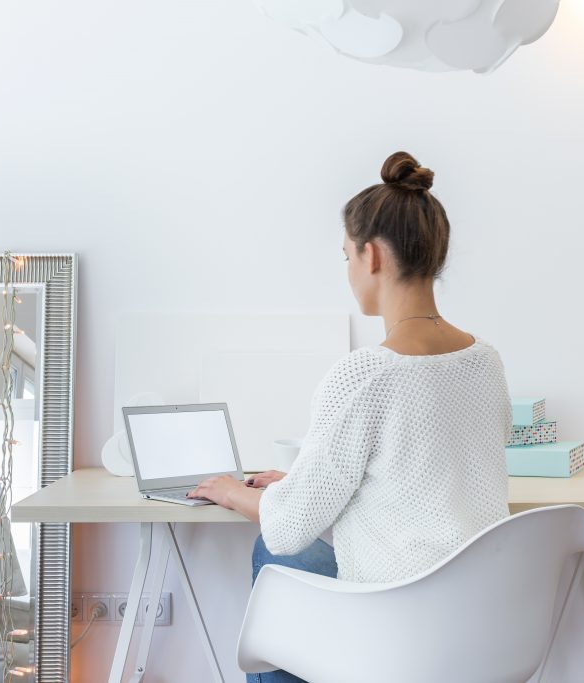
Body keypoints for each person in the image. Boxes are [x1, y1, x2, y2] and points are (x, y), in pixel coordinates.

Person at [188, 150, 513, 683]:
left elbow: (290, 528)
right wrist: (302, 482)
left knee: (272, 552)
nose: (347, 271)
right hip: (477, 616)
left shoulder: (365, 374)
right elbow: (423, 476)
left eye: (345, 257)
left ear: (372, 257)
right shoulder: (485, 361)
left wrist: (228, 489)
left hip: (397, 619)